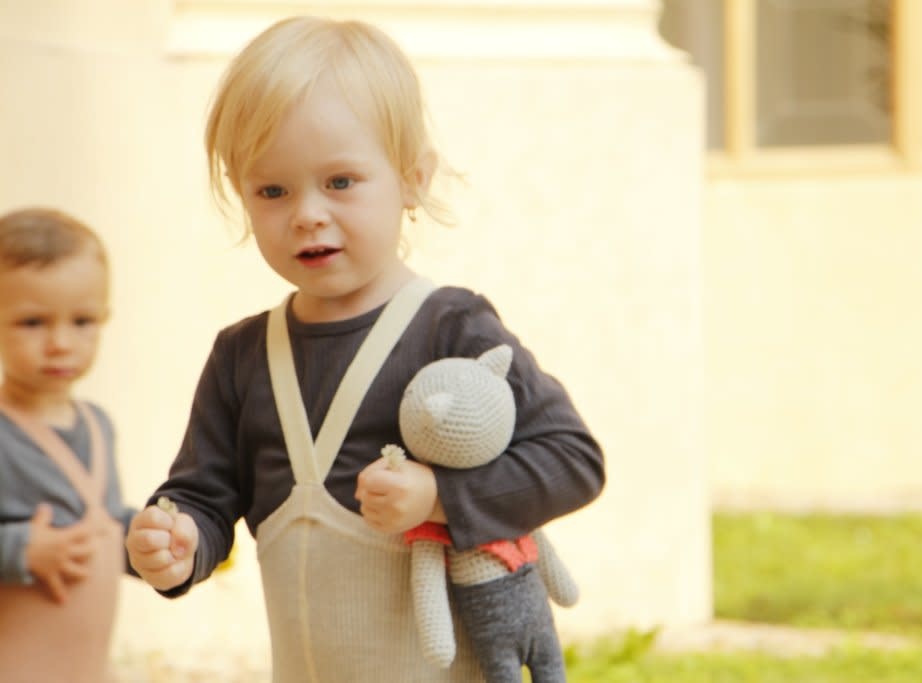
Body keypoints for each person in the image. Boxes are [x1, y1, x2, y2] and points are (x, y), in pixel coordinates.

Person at [125, 16, 604, 682]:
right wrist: (178, 544)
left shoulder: (451, 326)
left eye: (341, 181)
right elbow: (204, 497)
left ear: (413, 179)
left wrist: (437, 496)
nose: (307, 213)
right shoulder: (243, 355)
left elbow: (572, 459)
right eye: (273, 190)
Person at [0, 207, 137, 683]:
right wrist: (20, 549)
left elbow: (108, 523)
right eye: (33, 322)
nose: (61, 342)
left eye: (82, 321)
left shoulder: (98, 426)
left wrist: (156, 538)